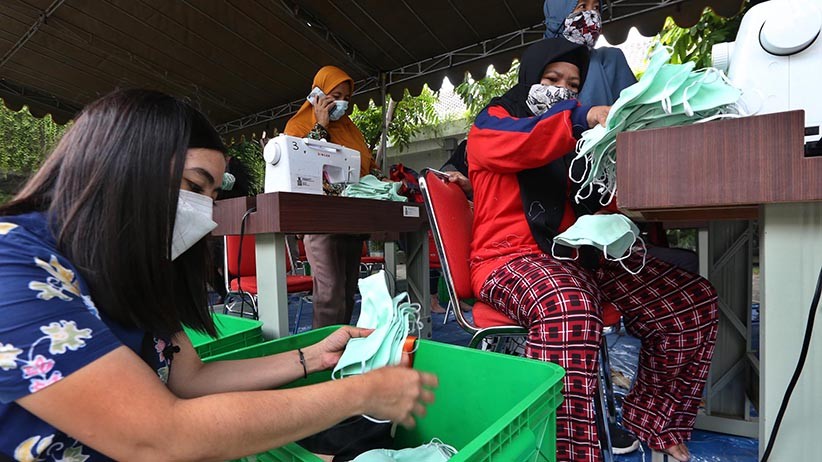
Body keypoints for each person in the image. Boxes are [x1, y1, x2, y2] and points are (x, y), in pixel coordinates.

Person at [0, 89, 437, 461]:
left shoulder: (130, 265)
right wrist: (361, 394)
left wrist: (314, 357)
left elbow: (190, 378)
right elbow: (159, 437)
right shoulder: (13, 269)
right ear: (121, 166)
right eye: (193, 186)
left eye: (211, 196)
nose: (204, 213)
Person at [466, 38, 718, 462]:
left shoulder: (578, 142)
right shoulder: (494, 123)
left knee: (690, 299)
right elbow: (526, 141)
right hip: (507, 259)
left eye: (572, 85)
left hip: (576, 259)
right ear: (529, 78)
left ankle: (654, 419)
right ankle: (561, 452)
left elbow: (594, 199)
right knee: (567, 304)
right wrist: (579, 118)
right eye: (552, 79)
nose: (562, 90)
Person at [546, 0, 700, 275]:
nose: (590, 15)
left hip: (603, 193)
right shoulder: (535, 69)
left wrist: (612, 209)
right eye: (580, 5)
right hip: (552, 204)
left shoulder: (609, 61)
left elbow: (634, 134)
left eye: (596, 7)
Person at [284, 66, 385, 329]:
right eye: (336, 95)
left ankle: (342, 346)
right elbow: (301, 164)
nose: (342, 103)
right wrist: (320, 126)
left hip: (352, 220)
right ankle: (322, 349)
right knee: (330, 292)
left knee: (348, 291)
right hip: (319, 222)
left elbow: (367, 165)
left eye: (347, 98)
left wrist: (382, 180)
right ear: (317, 94)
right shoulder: (298, 126)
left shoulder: (351, 130)